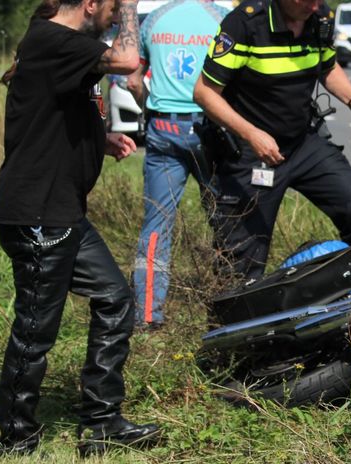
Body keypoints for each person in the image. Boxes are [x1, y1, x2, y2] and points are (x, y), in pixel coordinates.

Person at [0, 0, 161, 457]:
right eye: (109, 6)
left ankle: (102, 423)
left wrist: (98, 140)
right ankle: (15, 438)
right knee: (35, 328)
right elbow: (127, 60)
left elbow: (49, 113)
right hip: (37, 214)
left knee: (114, 298)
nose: (113, 16)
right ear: (89, 4)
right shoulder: (53, 39)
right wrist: (129, 7)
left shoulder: (64, 45)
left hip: (62, 212)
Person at [193, 0, 351, 281]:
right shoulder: (245, 23)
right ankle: (236, 319)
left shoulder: (320, 18)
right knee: (242, 259)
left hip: (302, 142)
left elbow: (328, 67)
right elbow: (204, 93)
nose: (315, 5)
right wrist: (251, 134)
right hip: (251, 151)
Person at [128, 0, 229, 330]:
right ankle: (228, 307)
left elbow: (132, 80)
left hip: (163, 129)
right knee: (226, 221)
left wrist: (149, 109)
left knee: (156, 225)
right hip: (210, 129)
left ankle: (146, 315)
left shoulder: (155, 19)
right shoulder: (223, 18)